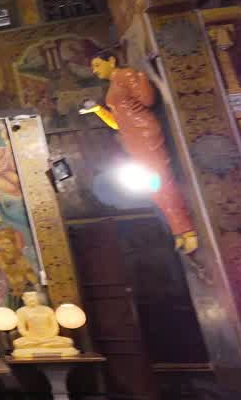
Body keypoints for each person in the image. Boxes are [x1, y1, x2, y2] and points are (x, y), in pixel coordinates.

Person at [82, 50, 197, 253]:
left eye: (98, 65)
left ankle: (188, 230)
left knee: (161, 182)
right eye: (93, 67)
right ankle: (178, 229)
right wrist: (98, 111)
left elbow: (147, 100)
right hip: (132, 138)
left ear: (111, 61)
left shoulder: (125, 75)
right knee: (153, 186)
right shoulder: (113, 86)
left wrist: (143, 76)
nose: (94, 70)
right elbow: (118, 123)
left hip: (144, 133)